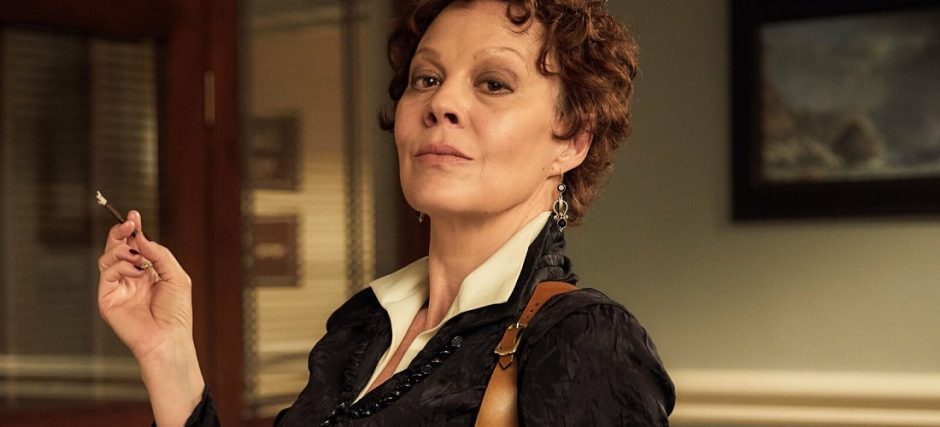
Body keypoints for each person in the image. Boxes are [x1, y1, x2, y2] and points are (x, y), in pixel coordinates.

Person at [97, 0, 676, 425]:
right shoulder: (360, 327)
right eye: (427, 78)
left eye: (493, 84)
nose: (441, 102)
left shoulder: (583, 340)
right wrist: (167, 353)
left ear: (572, 140)